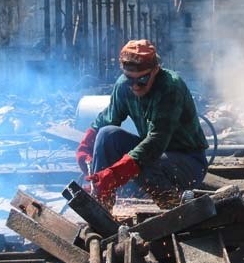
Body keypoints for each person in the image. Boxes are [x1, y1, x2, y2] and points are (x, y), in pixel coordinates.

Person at [76, 39, 209, 207]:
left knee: (143, 161)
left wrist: (116, 173)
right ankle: (101, 206)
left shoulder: (170, 88)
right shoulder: (124, 85)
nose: (135, 86)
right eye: (130, 79)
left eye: (142, 80)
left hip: (188, 163)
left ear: (155, 70)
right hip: (157, 157)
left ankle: (174, 209)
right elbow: (107, 119)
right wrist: (86, 145)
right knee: (107, 135)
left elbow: (156, 142)